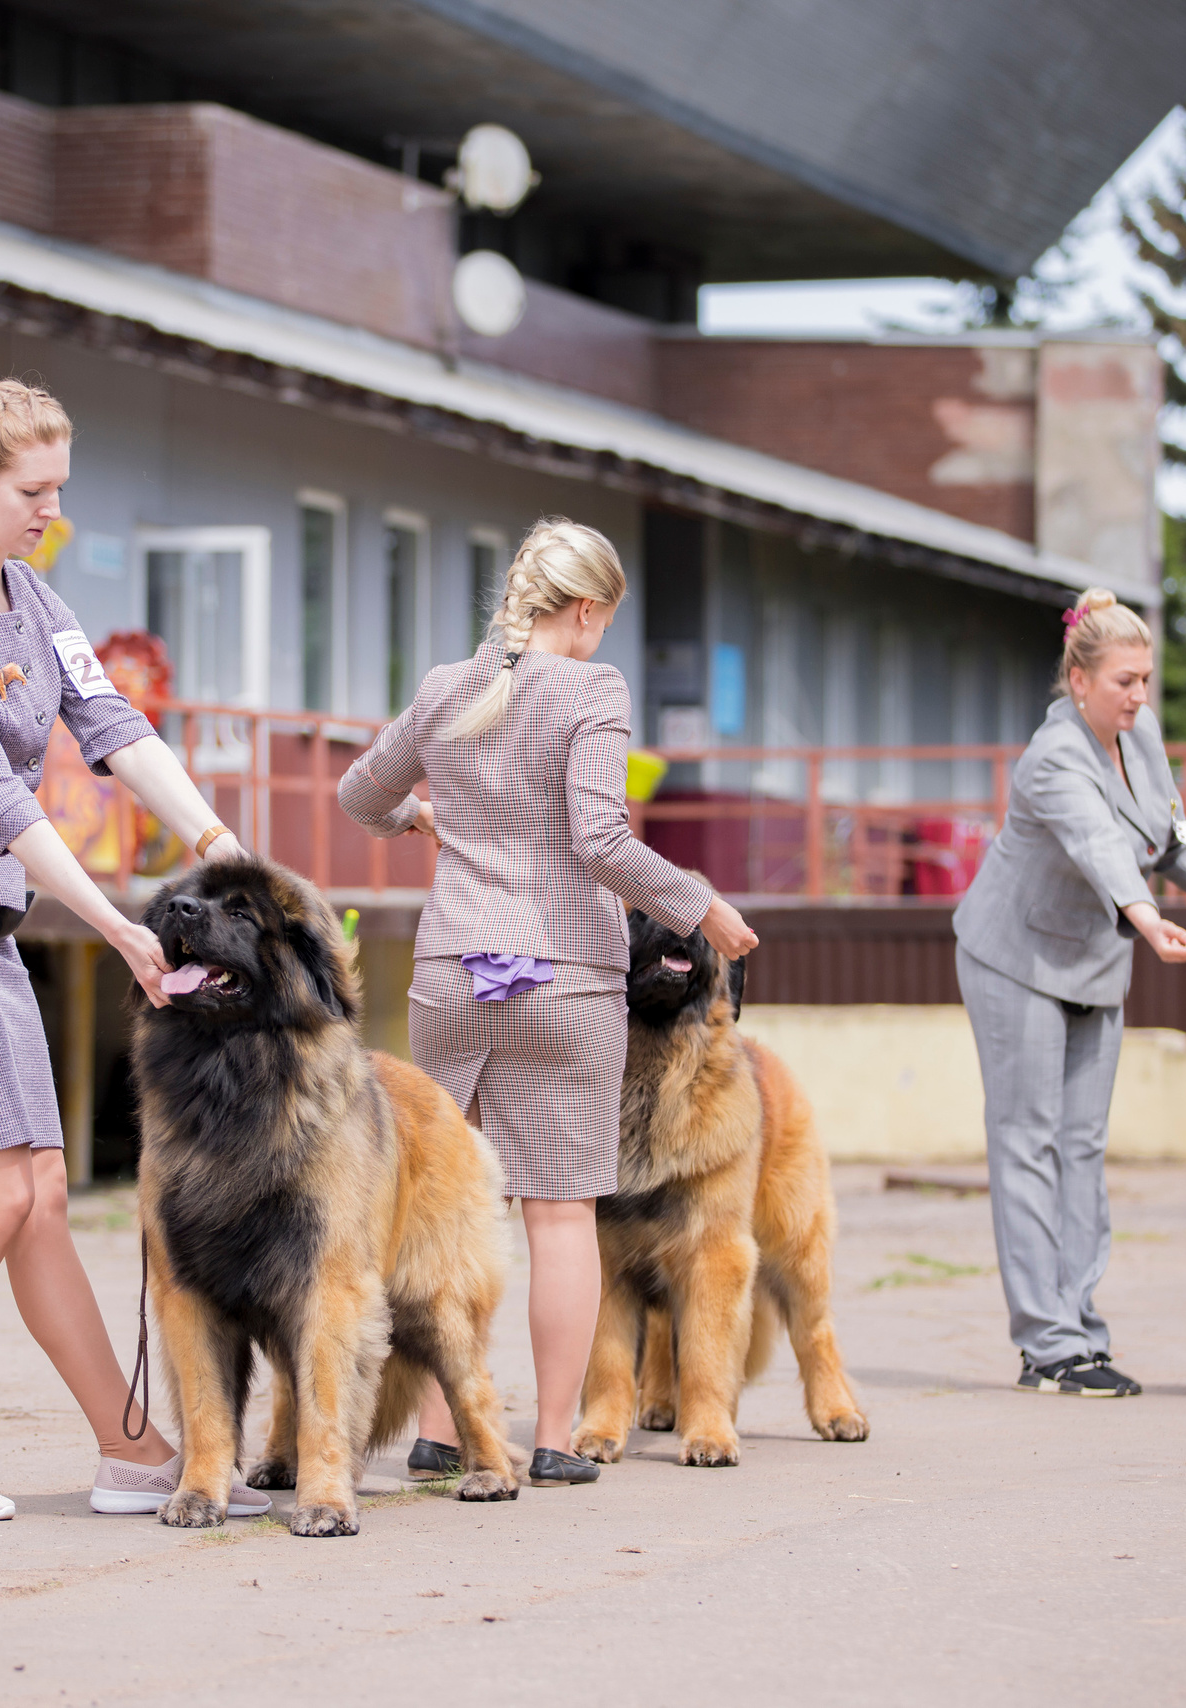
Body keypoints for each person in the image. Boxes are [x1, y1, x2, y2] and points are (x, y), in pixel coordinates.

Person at [0, 355, 268, 1523]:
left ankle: (129, 1448)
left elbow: (114, 727)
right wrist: (121, 926)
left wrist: (218, 839)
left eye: (62, 488)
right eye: (35, 492)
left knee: (38, 1185)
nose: (53, 511)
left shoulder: (38, 601)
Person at [337, 517, 758, 1485]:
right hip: (562, 975)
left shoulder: (447, 685)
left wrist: (417, 816)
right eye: (601, 619)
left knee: (444, 1205)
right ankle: (555, 1436)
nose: (600, 637)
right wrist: (705, 906)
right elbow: (601, 841)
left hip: (452, 973)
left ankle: (441, 1423)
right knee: (559, 1213)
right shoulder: (590, 688)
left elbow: (361, 794)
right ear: (582, 608)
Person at [952, 587, 1186, 1396]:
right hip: (1018, 959)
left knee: (1081, 1145)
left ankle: (1082, 1329)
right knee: (1028, 1140)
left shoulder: (1138, 735)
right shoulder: (1054, 759)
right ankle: (1045, 1347)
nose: (1140, 696)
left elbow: (1172, 839)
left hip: (1093, 961)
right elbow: (1103, 849)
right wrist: (1149, 923)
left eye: (1146, 679)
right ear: (1078, 682)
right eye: (1124, 681)